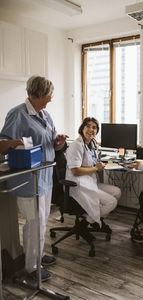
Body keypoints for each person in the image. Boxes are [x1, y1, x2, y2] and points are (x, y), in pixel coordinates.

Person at [0, 75, 68, 281]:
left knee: (42, 220)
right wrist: (16, 141)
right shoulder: (17, 114)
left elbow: (50, 144)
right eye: (49, 95)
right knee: (34, 222)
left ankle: (37, 254)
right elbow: (2, 144)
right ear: (38, 94)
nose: (50, 99)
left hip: (45, 178)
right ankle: (32, 267)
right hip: (28, 180)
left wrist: (58, 142)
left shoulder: (45, 115)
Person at [65, 117, 121, 229]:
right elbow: (75, 171)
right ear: (82, 128)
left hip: (90, 181)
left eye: (94, 127)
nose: (91, 129)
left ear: (97, 131)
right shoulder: (77, 145)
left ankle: (93, 220)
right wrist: (96, 168)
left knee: (117, 192)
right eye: (88, 126)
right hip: (78, 184)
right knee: (111, 202)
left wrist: (99, 162)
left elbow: (92, 160)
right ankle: (86, 222)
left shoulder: (92, 144)